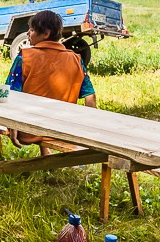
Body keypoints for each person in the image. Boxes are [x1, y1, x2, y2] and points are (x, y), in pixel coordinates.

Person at [5, 10, 96, 146]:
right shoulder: (76, 59)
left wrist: (12, 129)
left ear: (46, 33)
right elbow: (90, 97)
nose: (28, 33)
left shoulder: (24, 57)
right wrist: (89, 132)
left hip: (29, 132)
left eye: (32, 30)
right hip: (64, 131)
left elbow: (10, 94)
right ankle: (45, 150)